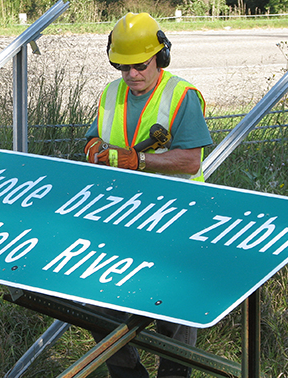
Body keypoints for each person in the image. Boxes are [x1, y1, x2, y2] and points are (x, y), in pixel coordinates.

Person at [84, 13, 213, 378]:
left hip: (177, 218)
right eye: (121, 66)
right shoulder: (111, 93)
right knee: (102, 307)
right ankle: (128, 375)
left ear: (161, 56)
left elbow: (190, 161)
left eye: (139, 65)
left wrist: (138, 159)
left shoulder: (182, 96)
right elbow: (95, 136)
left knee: (173, 311)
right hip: (122, 217)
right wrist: (95, 146)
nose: (131, 75)